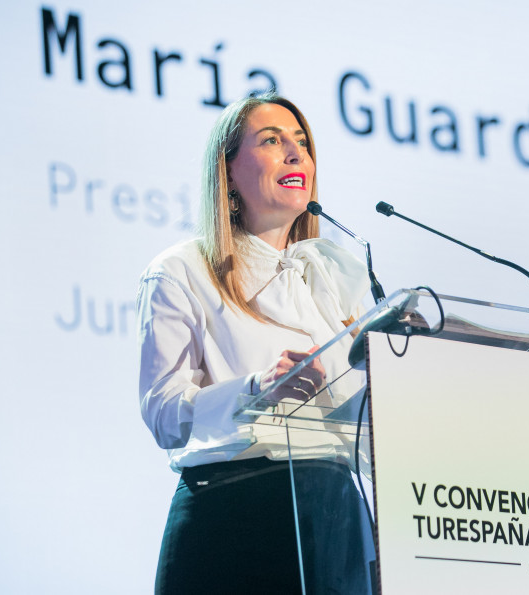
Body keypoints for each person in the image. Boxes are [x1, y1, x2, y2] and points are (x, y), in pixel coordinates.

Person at [136, 92, 374, 594]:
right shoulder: (182, 270)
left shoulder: (334, 282)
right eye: (271, 140)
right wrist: (254, 391)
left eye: (302, 143)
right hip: (235, 515)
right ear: (227, 172)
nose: (294, 154)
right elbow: (163, 412)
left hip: (336, 520)